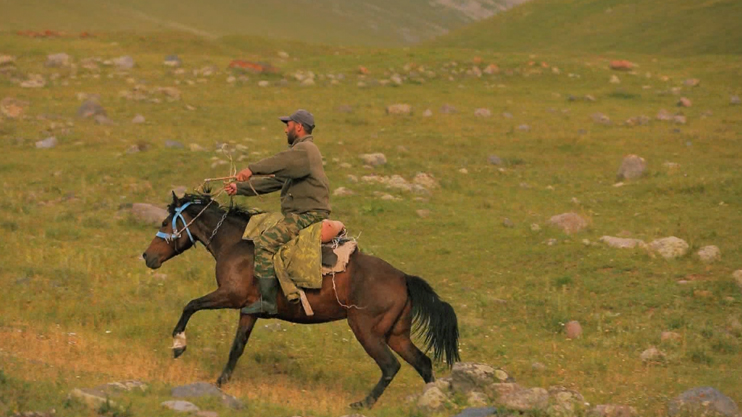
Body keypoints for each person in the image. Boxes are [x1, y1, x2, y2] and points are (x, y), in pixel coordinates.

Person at [225, 109, 330, 315]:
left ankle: (269, 302)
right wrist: (241, 189)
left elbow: (280, 161)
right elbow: (277, 181)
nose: (285, 130)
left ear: (298, 127)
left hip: (307, 215)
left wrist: (251, 169)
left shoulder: (304, 150)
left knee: (264, 244)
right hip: (301, 213)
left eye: (288, 125)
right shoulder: (302, 155)